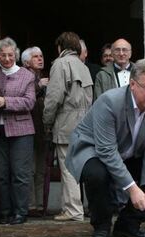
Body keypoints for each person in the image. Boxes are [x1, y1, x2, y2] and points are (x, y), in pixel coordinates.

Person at [66, 59, 145, 237]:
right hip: (92, 149)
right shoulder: (109, 101)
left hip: (129, 152)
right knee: (97, 174)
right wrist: (133, 189)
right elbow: (106, 150)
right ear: (132, 84)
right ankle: (101, 224)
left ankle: (127, 225)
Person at [43, 32, 93, 222]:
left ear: (60, 47)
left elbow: (54, 97)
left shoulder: (60, 64)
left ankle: (73, 209)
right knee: (76, 167)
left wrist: (47, 121)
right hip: (84, 122)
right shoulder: (83, 66)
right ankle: (74, 208)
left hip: (65, 122)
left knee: (67, 168)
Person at [0, 37, 36, 225]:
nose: (7, 58)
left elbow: (29, 102)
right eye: (3, 55)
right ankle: (4, 211)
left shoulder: (27, 75)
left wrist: (6, 102)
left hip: (21, 130)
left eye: (10, 55)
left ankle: (20, 212)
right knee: (0, 173)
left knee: (20, 174)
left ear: (15, 55)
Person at [21, 46, 49, 216]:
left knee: (41, 170)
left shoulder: (43, 77)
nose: (40, 59)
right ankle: (30, 204)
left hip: (43, 130)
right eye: (35, 57)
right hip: (28, 128)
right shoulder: (24, 76)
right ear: (26, 62)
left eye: (41, 56)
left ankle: (40, 205)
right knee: (30, 170)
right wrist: (39, 85)